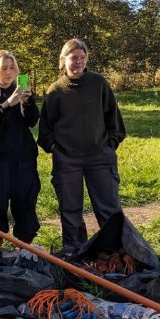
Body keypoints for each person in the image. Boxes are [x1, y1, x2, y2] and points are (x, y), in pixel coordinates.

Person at [38, 38, 126, 255]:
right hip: (67, 160)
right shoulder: (55, 91)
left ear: (86, 59)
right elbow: (45, 130)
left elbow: (114, 120)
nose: (77, 62)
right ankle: (75, 253)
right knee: (70, 210)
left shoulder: (98, 84)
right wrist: (57, 150)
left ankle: (114, 252)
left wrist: (109, 146)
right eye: (73, 58)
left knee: (108, 208)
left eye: (81, 57)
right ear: (63, 60)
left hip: (100, 157)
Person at [0, 50, 41, 260]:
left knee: (25, 202)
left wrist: (26, 102)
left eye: (11, 68)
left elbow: (32, 121)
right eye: (3, 68)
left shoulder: (22, 90)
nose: (8, 73)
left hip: (23, 157)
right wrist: (9, 103)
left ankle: (25, 247)